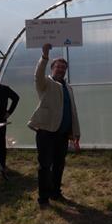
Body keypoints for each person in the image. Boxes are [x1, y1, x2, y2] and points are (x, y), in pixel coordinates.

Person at [28, 43, 80, 209]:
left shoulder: (68, 87)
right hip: (46, 132)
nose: (61, 70)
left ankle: (55, 192)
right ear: (52, 69)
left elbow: (72, 112)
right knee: (45, 166)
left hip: (63, 134)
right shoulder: (45, 84)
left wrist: (75, 132)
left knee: (59, 164)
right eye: (58, 67)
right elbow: (38, 75)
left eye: (64, 68)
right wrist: (44, 56)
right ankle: (43, 198)